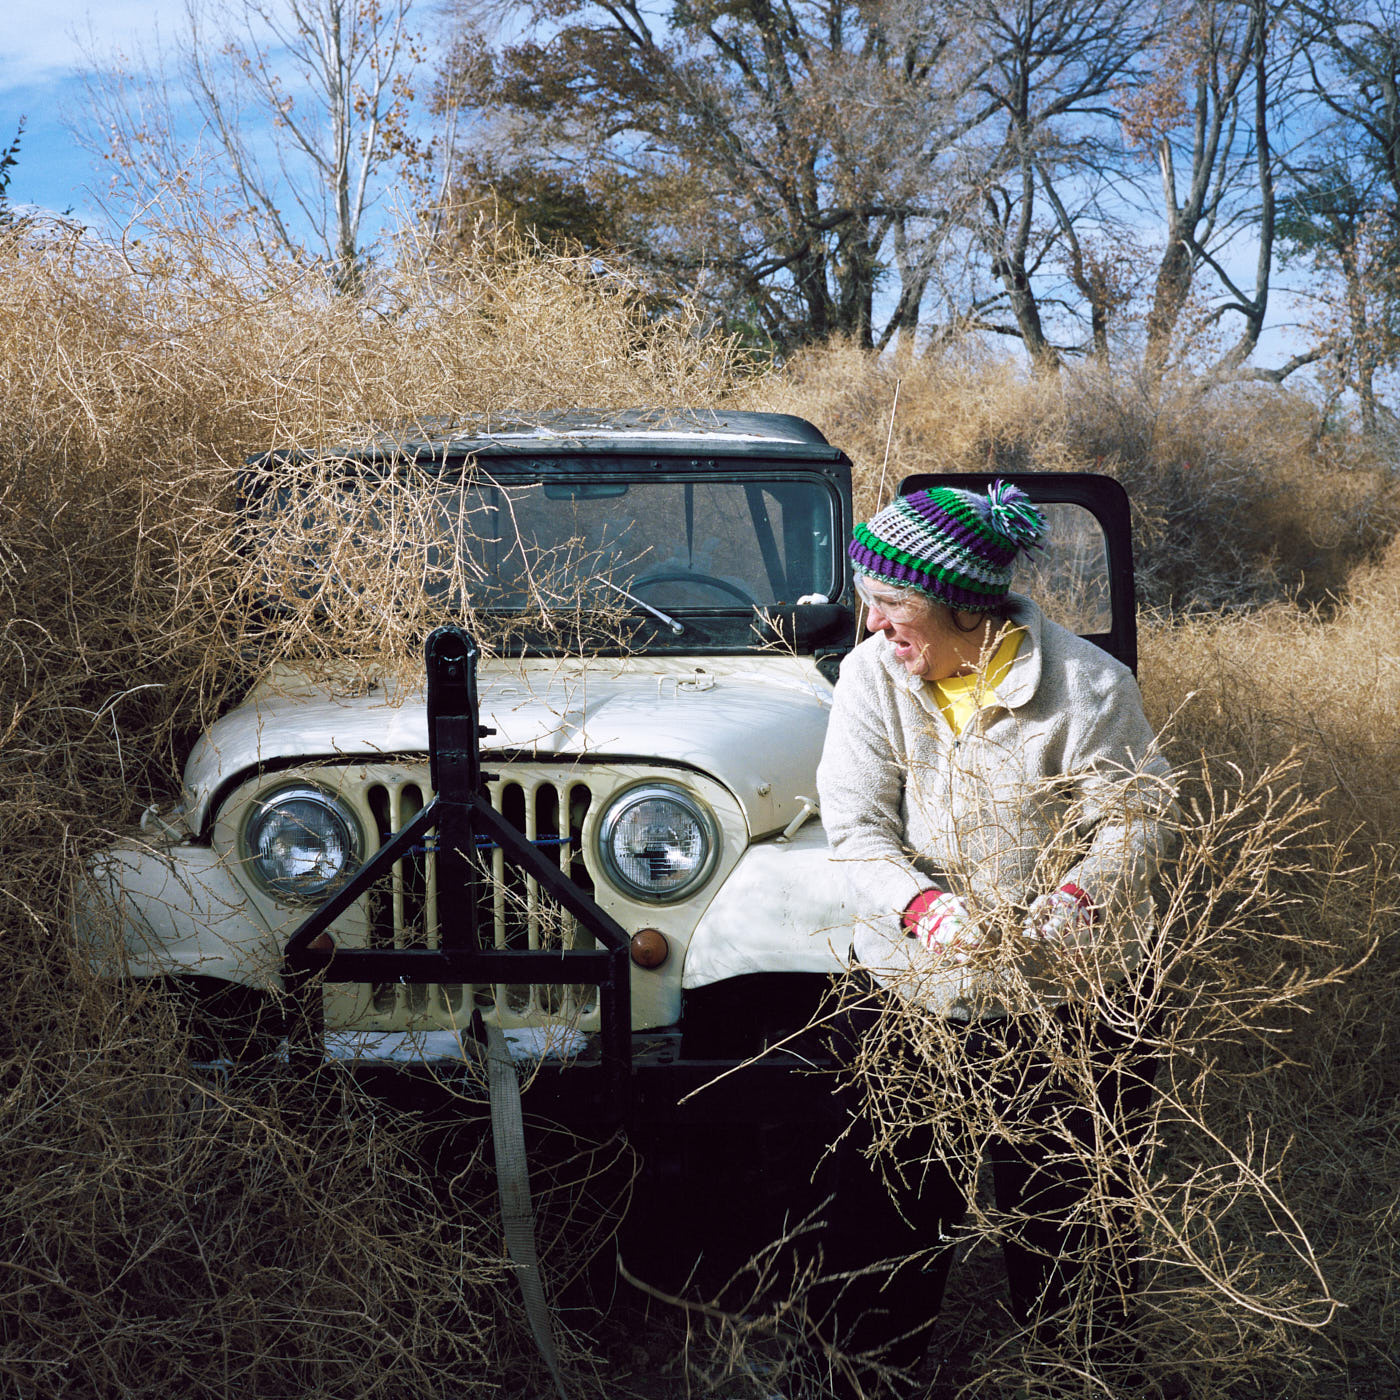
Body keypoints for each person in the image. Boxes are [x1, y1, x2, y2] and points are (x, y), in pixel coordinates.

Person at [813, 481, 1177, 1396]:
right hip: (908, 996)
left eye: (896, 611)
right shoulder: (871, 677)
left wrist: (1069, 907)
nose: (876, 628)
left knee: (1072, 1229)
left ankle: (1076, 1379)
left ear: (967, 611)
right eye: (873, 606)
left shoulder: (1089, 688)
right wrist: (929, 911)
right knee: (882, 1222)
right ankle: (865, 1380)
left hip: (1068, 1008)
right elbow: (855, 831)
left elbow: (1139, 820)